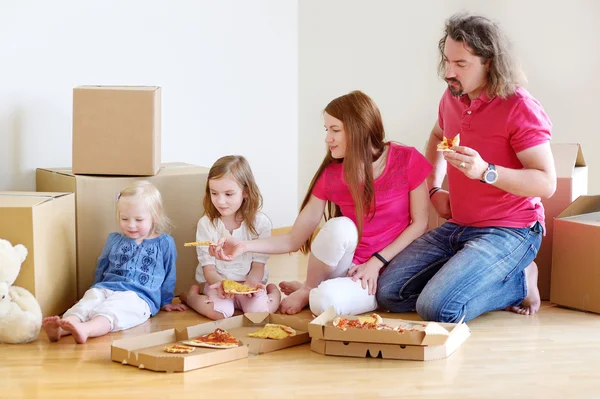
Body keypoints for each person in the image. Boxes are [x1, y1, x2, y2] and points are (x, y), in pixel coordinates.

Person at [376, 12, 556, 323]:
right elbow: (437, 135)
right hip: (459, 224)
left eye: (461, 64)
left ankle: (520, 280)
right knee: (389, 293)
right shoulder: (453, 97)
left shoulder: (519, 107)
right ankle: (471, 276)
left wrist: (487, 171)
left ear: (489, 62)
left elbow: (546, 183)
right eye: (447, 60)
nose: (448, 72)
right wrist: (434, 188)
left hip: (510, 230)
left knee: (437, 309)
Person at [213, 90, 431, 316]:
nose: (328, 138)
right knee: (340, 226)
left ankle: (314, 291)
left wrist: (376, 262)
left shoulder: (406, 159)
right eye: (327, 130)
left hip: (384, 273)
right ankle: (310, 287)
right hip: (349, 268)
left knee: (323, 303)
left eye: (335, 130)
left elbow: (421, 223)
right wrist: (244, 246)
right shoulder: (331, 175)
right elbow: (293, 238)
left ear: (359, 129)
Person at [42, 181, 186, 343]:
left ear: (155, 216)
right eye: (125, 218)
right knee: (88, 302)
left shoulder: (164, 243)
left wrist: (166, 301)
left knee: (113, 310)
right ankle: (62, 328)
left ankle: (86, 329)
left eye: (139, 220)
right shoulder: (114, 240)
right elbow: (102, 266)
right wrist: (92, 289)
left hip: (139, 295)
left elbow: (169, 272)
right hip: (107, 287)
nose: (131, 225)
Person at [180, 155, 280, 319]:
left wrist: (250, 285)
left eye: (228, 194)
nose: (220, 201)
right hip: (218, 283)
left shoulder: (261, 223)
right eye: (214, 193)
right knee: (221, 313)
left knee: (260, 314)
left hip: (249, 283)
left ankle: (273, 293)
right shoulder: (206, 224)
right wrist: (222, 284)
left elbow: (258, 266)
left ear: (245, 192)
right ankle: (192, 297)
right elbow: (208, 268)